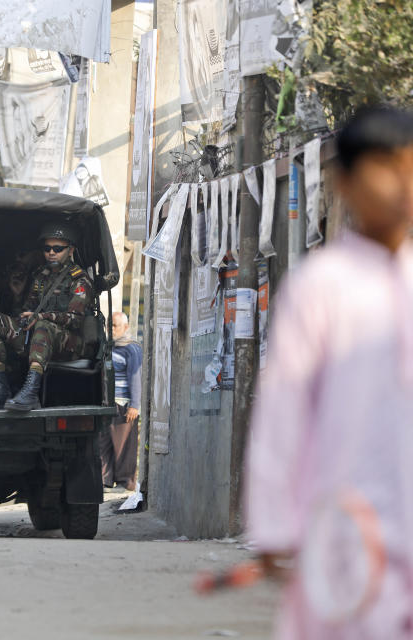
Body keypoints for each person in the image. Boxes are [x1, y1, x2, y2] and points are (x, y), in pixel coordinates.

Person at [245, 105, 413, 637]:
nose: (402, 184)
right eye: (385, 167)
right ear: (344, 180)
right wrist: (274, 527)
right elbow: (284, 408)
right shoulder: (323, 286)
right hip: (343, 528)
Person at [0, 222, 95, 411]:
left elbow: (75, 320)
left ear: (71, 250)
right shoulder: (41, 277)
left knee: (43, 326)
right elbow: (26, 311)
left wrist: (42, 316)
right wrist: (19, 303)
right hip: (38, 340)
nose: (51, 253)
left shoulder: (80, 280)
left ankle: (30, 392)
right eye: (47, 248)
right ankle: (1, 388)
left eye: (58, 249)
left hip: (71, 344)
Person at [101, 312, 141, 492]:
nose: (111, 329)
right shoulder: (109, 347)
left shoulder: (131, 348)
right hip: (108, 402)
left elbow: (136, 378)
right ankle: (105, 480)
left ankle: (125, 481)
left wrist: (135, 405)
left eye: (115, 325)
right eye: (110, 325)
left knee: (124, 445)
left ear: (125, 327)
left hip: (124, 403)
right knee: (105, 442)